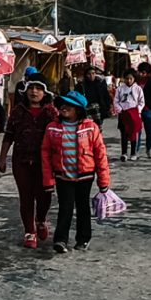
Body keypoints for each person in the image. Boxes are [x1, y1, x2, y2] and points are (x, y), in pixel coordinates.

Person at [41, 91, 110, 254]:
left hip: (85, 176)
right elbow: (45, 154)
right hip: (63, 176)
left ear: (78, 109)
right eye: (62, 104)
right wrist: (48, 181)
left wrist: (104, 182)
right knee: (65, 207)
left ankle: (83, 238)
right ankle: (60, 240)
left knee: (83, 207)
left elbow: (101, 155)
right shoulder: (52, 128)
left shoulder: (91, 128)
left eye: (69, 105)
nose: (64, 107)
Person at [0, 78, 59, 249]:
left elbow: (59, 135)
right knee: (26, 197)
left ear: (45, 92)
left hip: (45, 162)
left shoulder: (51, 113)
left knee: (44, 195)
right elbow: (9, 135)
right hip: (21, 160)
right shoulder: (18, 111)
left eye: (39, 88)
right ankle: (29, 231)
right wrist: (2, 158)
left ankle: (40, 220)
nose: (34, 92)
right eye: (31, 88)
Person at [113, 68, 145, 161]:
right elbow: (116, 101)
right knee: (124, 134)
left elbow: (141, 101)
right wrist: (120, 109)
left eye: (131, 78)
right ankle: (124, 153)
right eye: (127, 78)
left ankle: (133, 153)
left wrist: (137, 110)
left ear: (134, 79)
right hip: (124, 113)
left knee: (134, 133)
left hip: (134, 113)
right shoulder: (120, 89)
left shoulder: (138, 89)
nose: (129, 80)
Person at [139, 62, 151, 159]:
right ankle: (148, 149)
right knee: (150, 132)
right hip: (146, 109)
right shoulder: (137, 81)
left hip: (150, 108)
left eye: (143, 72)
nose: (141, 74)